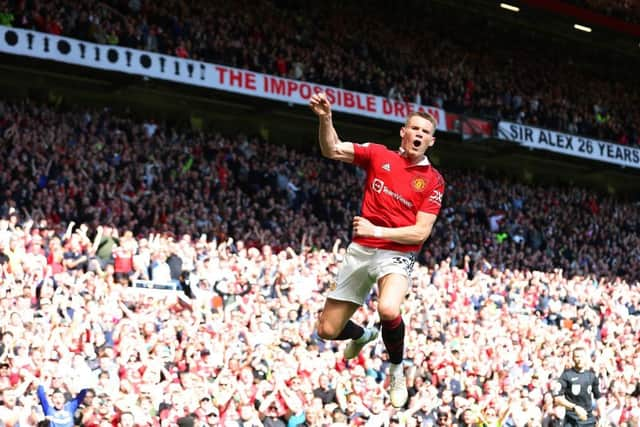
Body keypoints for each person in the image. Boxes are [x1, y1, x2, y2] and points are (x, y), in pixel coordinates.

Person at [309, 92, 445, 408]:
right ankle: (362, 335)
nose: (418, 135)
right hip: (361, 250)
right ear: (403, 132)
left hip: (396, 253)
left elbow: (420, 232)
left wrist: (378, 230)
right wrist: (325, 118)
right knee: (328, 330)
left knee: (388, 309)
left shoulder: (434, 181)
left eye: (425, 133)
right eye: (414, 129)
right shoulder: (378, 155)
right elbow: (331, 149)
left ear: (431, 142)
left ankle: (396, 369)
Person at [553, 346, 606, 427]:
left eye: (581, 356)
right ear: (573, 358)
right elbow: (557, 398)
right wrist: (574, 408)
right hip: (571, 421)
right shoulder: (566, 375)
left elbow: (599, 398)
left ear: (585, 358)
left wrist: (602, 416)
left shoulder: (591, 376)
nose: (579, 359)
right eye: (577, 356)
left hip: (588, 420)